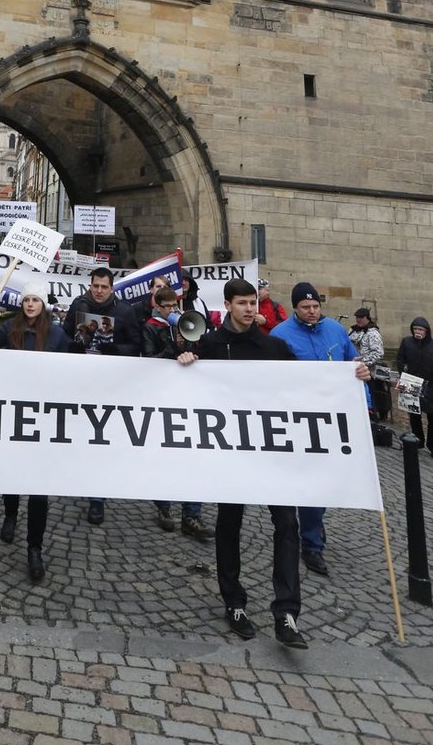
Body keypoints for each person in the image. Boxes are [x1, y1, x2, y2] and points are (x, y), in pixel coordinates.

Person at [176, 277, 307, 649]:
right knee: (229, 523)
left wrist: (351, 376)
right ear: (229, 305)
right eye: (243, 303)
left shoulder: (274, 346)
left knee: (286, 524)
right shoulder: (211, 345)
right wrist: (184, 359)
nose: (250, 309)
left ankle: (286, 612)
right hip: (230, 453)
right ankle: (233, 602)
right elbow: (183, 384)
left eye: (254, 302)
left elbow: (310, 382)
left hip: (270, 452)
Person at [272, 283, 371, 576]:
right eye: (306, 307)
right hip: (297, 421)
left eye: (316, 306)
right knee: (303, 483)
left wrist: (363, 400)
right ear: (295, 308)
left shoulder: (336, 331)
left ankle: (313, 535)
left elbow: (353, 366)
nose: (313, 312)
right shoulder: (280, 336)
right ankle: (306, 541)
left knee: (321, 483)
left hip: (332, 420)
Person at [0, 287, 68, 581]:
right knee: (13, 473)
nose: (30, 304)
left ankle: (35, 548)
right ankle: (10, 513)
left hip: (44, 417)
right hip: (13, 412)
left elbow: (73, 366)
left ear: (43, 304)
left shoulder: (56, 335)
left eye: (35, 300)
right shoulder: (9, 328)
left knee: (39, 489)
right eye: (26, 300)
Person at [62, 266, 139, 525]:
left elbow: (136, 346)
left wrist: (114, 349)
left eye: (104, 287)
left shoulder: (125, 312)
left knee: (101, 438)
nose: (99, 291)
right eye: (95, 286)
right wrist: (73, 347)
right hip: (81, 379)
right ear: (90, 285)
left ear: (111, 288)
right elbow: (64, 334)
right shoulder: (78, 304)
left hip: (109, 384)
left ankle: (98, 499)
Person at [153, 311, 212, 542]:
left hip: (192, 408)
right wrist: (172, 348)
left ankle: (192, 515)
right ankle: (163, 507)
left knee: (194, 462)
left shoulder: (202, 341)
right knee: (164, 458)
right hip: (163, 405)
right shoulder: (155, 331)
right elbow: (148, 360)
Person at [396, 317, 433, 459]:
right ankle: (417, 441)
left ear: (426, 331)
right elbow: (400, 359)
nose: (417, 332)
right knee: (414, 416)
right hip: (413, 385)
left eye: (420, 329)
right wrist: (404, 375)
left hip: (432, 387)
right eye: (415, 329)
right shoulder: (407, 343)